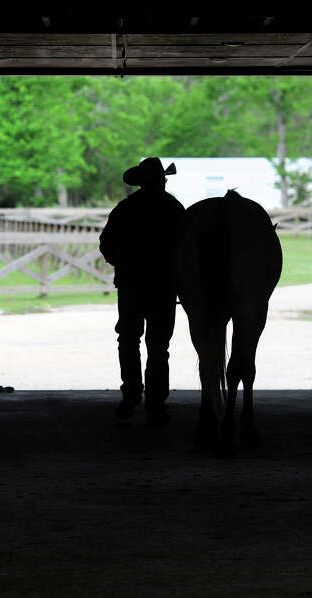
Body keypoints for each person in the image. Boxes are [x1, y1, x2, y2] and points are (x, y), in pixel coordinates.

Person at [99, 157, 184, 424]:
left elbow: (107, 244)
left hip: (131, 286)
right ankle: (156, 403)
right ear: (161, 180)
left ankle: (131, 395)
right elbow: (187, 248)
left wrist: (124, 264)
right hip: (163, 287)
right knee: (158, 346)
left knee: (128, 340)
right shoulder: (174, 209)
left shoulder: (126, 208)